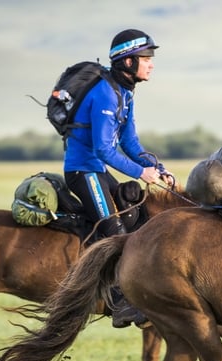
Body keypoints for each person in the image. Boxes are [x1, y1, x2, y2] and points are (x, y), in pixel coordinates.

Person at [64, 28, 174, 328]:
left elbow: (130, 144)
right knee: (113, 230)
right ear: (127, 62)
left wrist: (157, 167)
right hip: (83, 171)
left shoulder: (125, 93)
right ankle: (119, 303)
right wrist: (141, 173)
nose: (151, 64)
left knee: (137, 217)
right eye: (146, 58)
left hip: (98, 171)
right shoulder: (103, 93)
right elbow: (102, 148)